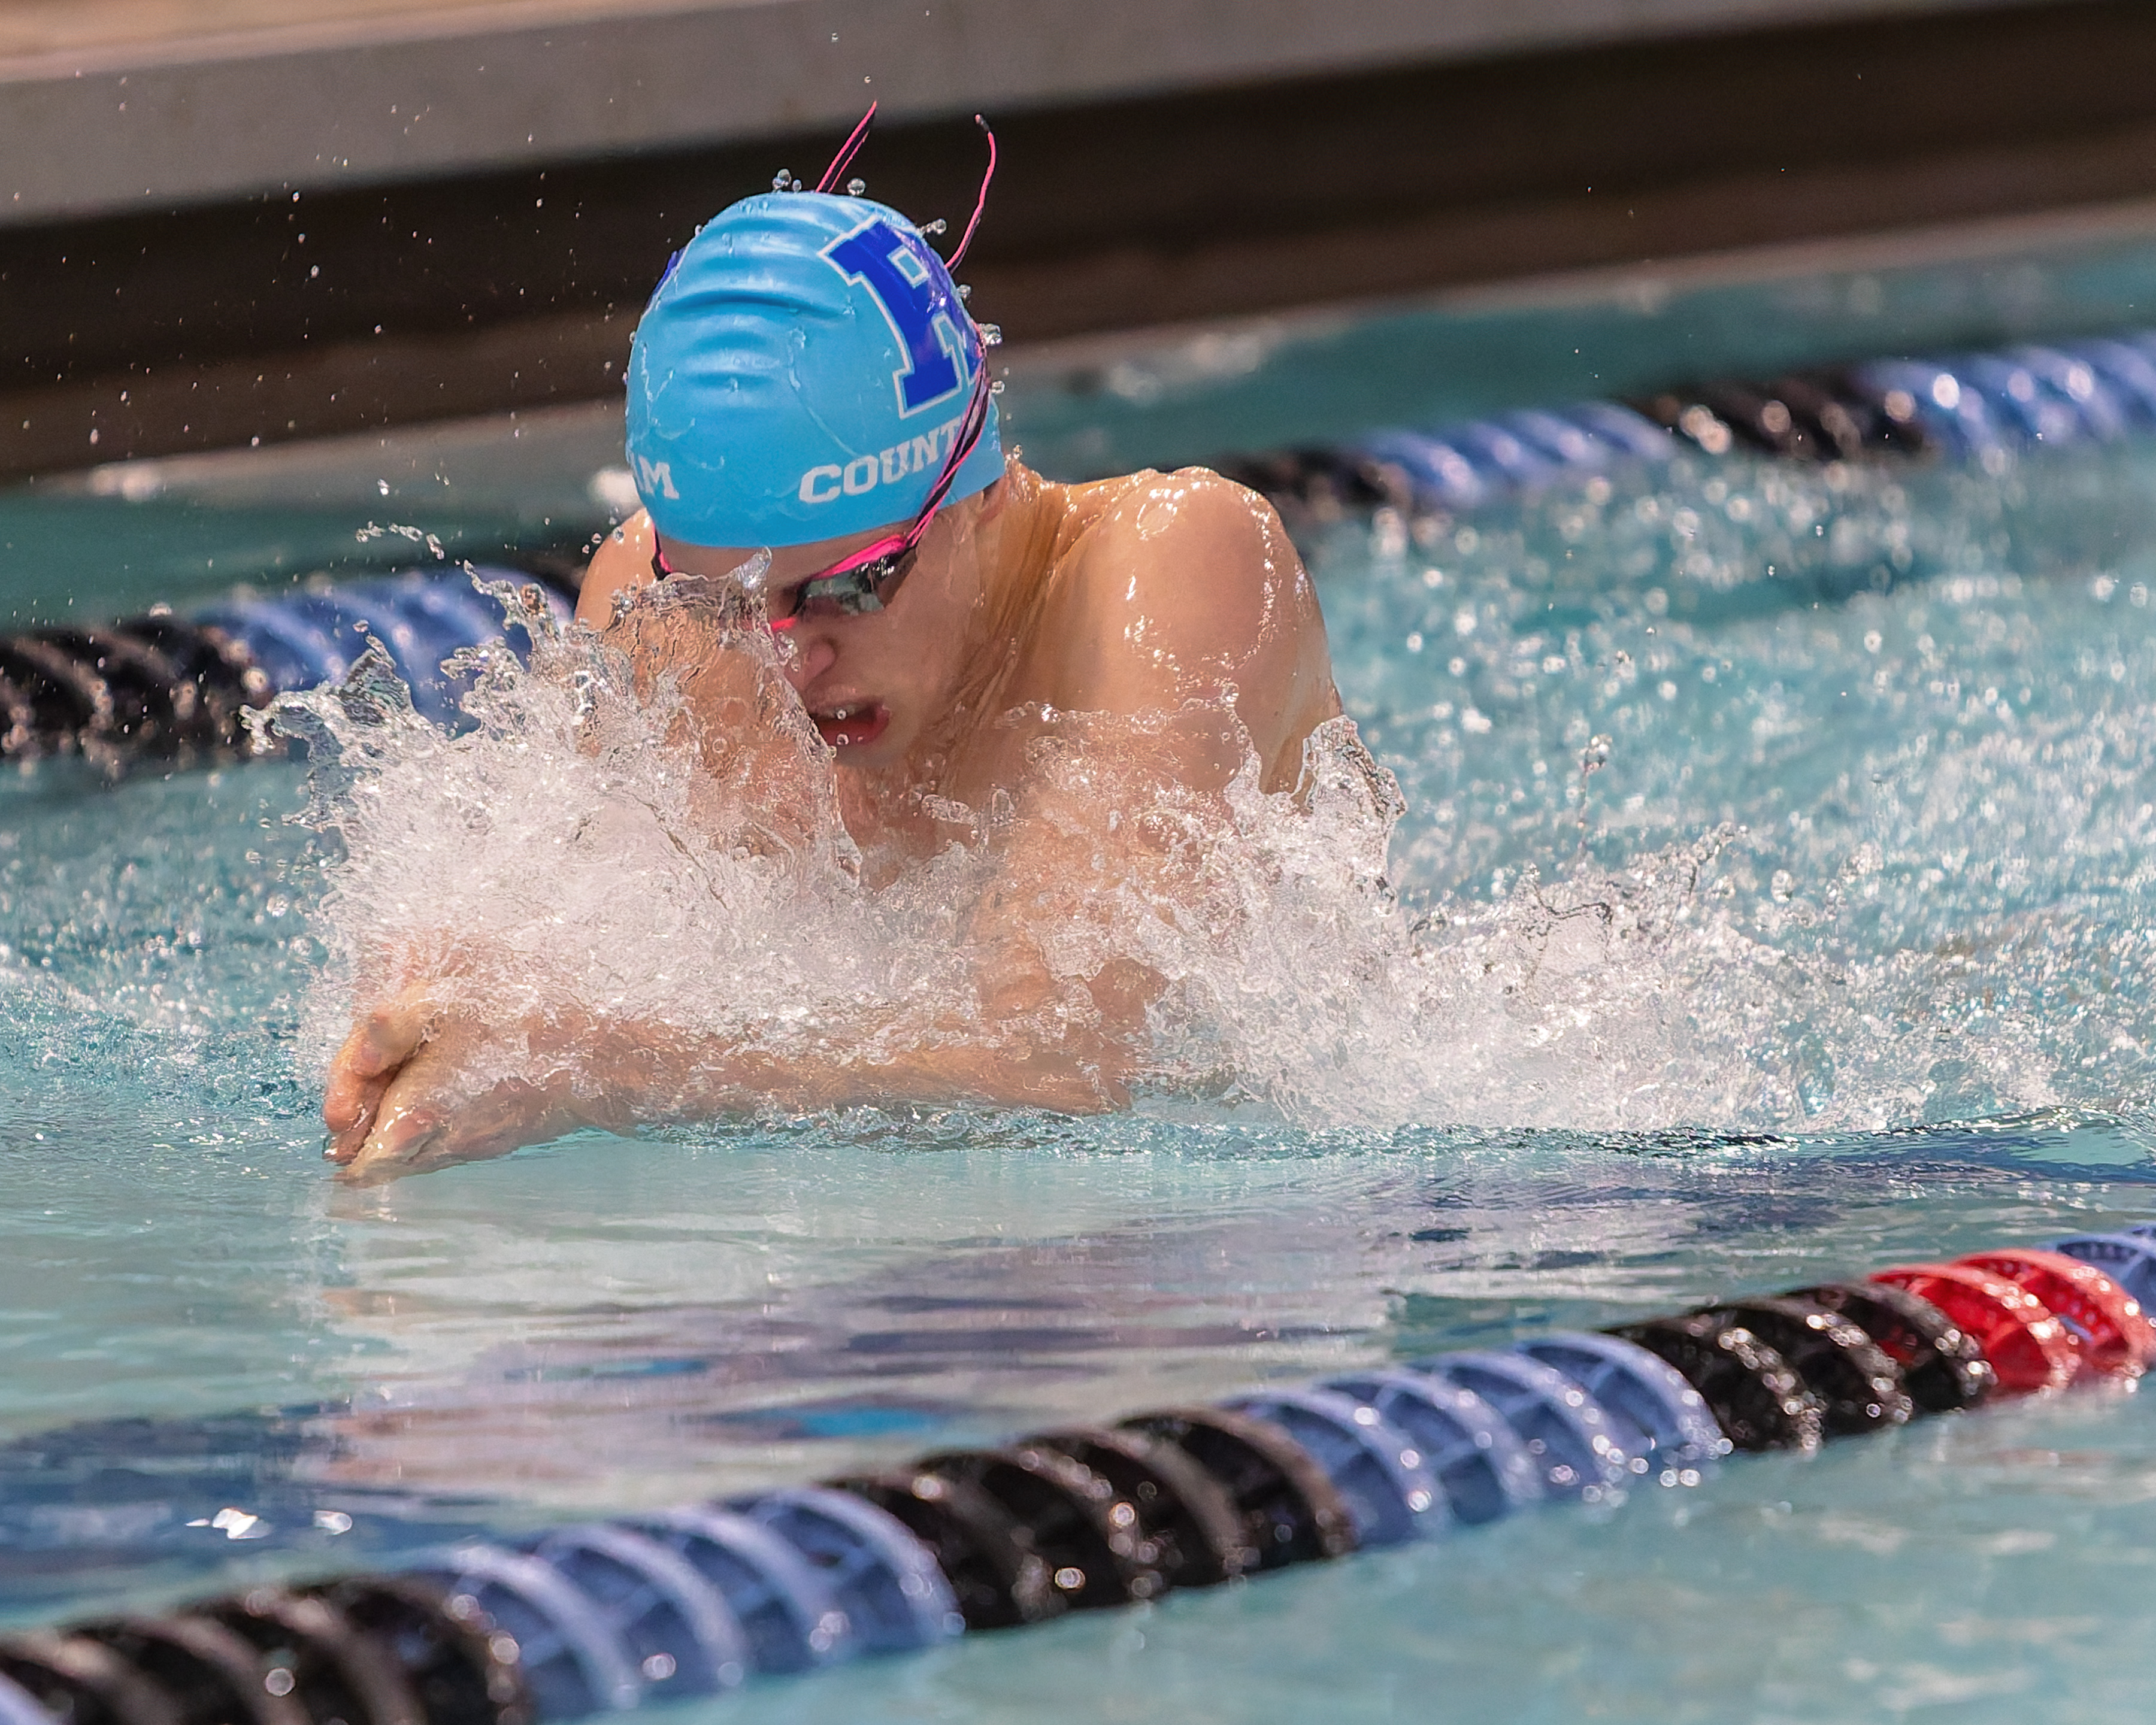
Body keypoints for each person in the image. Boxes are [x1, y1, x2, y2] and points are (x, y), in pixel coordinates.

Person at [322, 125, 1362, 1182]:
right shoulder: (652, 608)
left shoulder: (1174, 569)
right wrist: (454, 998)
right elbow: (600, 962)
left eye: (851, 586)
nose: (787, 664)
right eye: (730, 605)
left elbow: (1063, 1065)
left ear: (980, 484)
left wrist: (605, 1067)